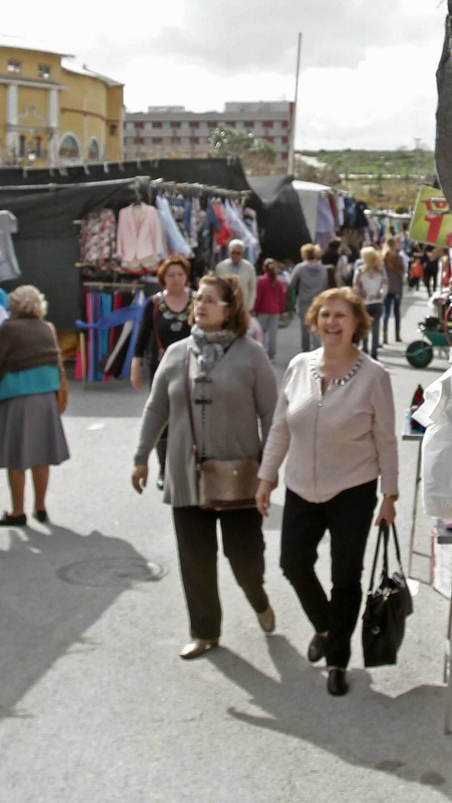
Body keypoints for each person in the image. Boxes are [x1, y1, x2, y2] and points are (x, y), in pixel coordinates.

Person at [256, 287, 397, 697]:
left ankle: (338, 658)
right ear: (315, 320)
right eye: (325, 315)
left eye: (340, 316)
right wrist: (267, 477)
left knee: (345, 578)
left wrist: (389, 495)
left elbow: (386, 439)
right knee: (293, 563)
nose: (331, 323)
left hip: (353, 488)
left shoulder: (374, 376)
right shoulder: (299, 366)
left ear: (356, 324)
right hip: (302, 485)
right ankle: (326, 626)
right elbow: (281, 426)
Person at [132, 274, 278, 659]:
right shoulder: (177, 353)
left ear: (231, 309)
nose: (200, 304)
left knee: (244, 558)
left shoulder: (251, 355)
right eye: (198, 297)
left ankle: (258, 598)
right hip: (186, 474)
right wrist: (141, 456)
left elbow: (272, 414)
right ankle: (204, 631)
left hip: (239, 475)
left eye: (211, 299)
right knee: (195, 560)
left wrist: (270, 468)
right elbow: (156, 407)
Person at [0, 284, 70, 526]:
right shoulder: (47, 328)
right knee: (42, 456)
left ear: (16, 305)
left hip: (18, 399)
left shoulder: (10, 329)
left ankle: (17, 511)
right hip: (46, 399)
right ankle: (40, 507)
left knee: (16, 458)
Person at [130, 255, 194, 392]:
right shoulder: (154, 303)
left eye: (180, 274)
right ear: (163, 278)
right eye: (171, 275)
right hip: (161, 366)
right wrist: (135, 367)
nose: (176, 278)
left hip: (192, 367)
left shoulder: (197, 301)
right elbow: (142, 337)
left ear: (186, 276)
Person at [289, 244, 330, 354]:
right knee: (317, 327)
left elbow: (291, 284)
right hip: (318, 302)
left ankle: (306, 351)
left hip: (303, 301)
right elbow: (325, 284)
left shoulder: (300, 268)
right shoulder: (322, 269)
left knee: (305, 328)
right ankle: (317, 351)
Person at [353, 246, 389, 359]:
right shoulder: (381, 271)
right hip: (377, 302)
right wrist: (380, 295)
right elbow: (386, 285)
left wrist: (360, 295)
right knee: (375, 327)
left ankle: (364, 349)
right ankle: (374, 352)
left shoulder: (360, 271)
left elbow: (355, 285)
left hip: (365, 302)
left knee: (364, 327)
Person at [253, 258, 287, 359]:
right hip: (275, 311)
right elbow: (281, 298)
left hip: (263, 310)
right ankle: (272, 355)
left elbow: (258, 297)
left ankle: (260, 353)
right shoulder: (279, 282)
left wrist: (255, 309)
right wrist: (281, 310)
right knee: (273, 335)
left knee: (261, 333)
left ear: (264, 268)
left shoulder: (261, 281)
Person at [215, 239, 258, 308]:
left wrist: (249, 306)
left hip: (243, 306)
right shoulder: (220, 267)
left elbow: (252, 288)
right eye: (233, 252)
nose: (235, 255)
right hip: (225, 305)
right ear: (229, 252)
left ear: (242, 254)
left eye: (238, 253)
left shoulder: (249, 268)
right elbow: (217, 287)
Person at [381, 236, 407, 344]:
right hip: (397, 287)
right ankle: (397, 335)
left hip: (386, 287)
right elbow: (404, 270)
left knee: (386, 312)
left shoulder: (383, 258)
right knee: (396, 311)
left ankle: (385, 336)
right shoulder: (398, 257)